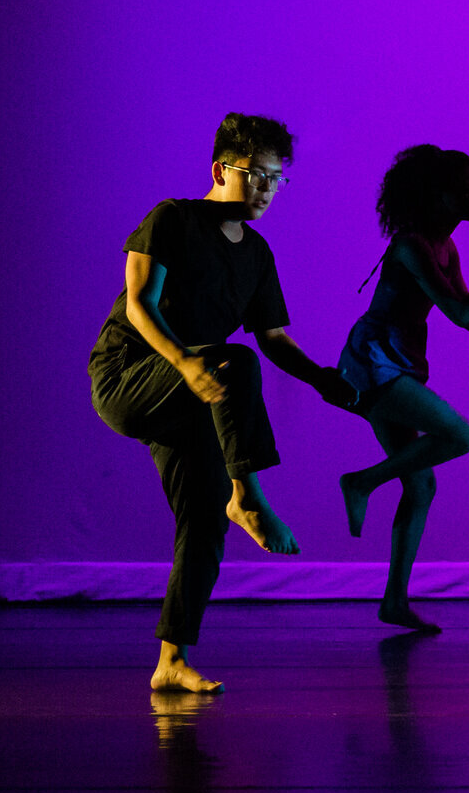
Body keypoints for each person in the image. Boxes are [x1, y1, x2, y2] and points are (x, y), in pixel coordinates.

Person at [89, 113, 358, 693]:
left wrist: (320, 379)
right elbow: (140, 303)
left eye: (276, 180)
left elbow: (275, 339)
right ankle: (250, 496)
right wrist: (185, 361)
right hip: (130, 377)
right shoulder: (173, 219)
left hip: (196, 391)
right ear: (220, 170)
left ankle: (171, 660)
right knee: (232, 362)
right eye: (256, 175)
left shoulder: (256, 254)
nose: (265, 189)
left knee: (202, 523)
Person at [335, 145, 469, 633]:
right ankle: (361, 481)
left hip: (400, 363)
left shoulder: (446, 246)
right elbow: (463, 314)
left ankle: (393, 603)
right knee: (461, 436)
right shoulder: (413, 246)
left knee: (421, 483)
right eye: (466, 191)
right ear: (438, 195)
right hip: (374, 364)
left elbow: (464, 313)